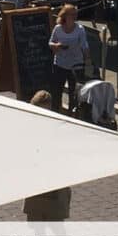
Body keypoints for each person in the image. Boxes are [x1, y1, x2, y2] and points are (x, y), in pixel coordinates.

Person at [23, 90, 72, 221]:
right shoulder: (30, 129)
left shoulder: (55, 128)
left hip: (51, 184)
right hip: (37, 185)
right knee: (38, 225)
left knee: (55, 225)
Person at [49, 4, 90, 113]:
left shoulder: (80, 29)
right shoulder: (58, 28)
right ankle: (55, 112)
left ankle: (73, 114)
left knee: (74, 93)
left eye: (75, 14)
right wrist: (56, 46)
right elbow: (50, 42)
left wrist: (88, 62)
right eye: (71, 14)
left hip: (76, 65)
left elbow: (85, 46)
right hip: (60, 64)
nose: (74, 16)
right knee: (57, 91)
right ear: (65, 16)